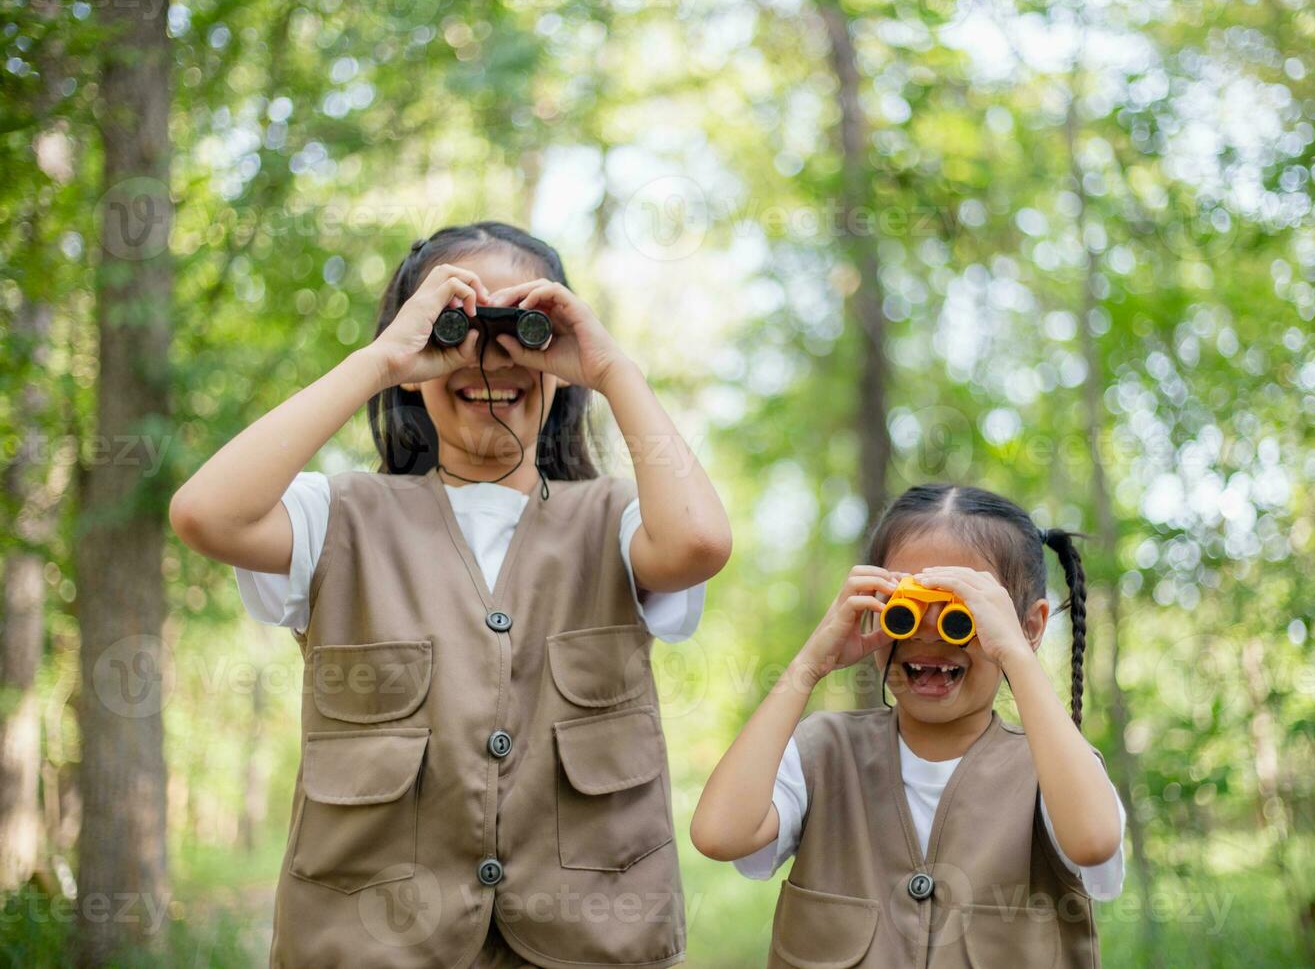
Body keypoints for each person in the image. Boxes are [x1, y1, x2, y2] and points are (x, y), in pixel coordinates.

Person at [171, 221, 731, 968]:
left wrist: (611, 368)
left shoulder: (620, 522)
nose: (490, 355)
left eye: (520, 327)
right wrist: (380, 360)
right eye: (458, 326)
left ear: (558, 356)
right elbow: (205, 513)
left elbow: (700, 543)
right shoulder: (337, 518)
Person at [691, 483, 1123, 967]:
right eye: (907, 609)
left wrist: (1016, 655)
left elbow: (1092, 840)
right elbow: (718, 834)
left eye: (963, 613)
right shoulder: (824, 752)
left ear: (1030, 625)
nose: (929, 634)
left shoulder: (1054, 771)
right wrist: (810, 663)